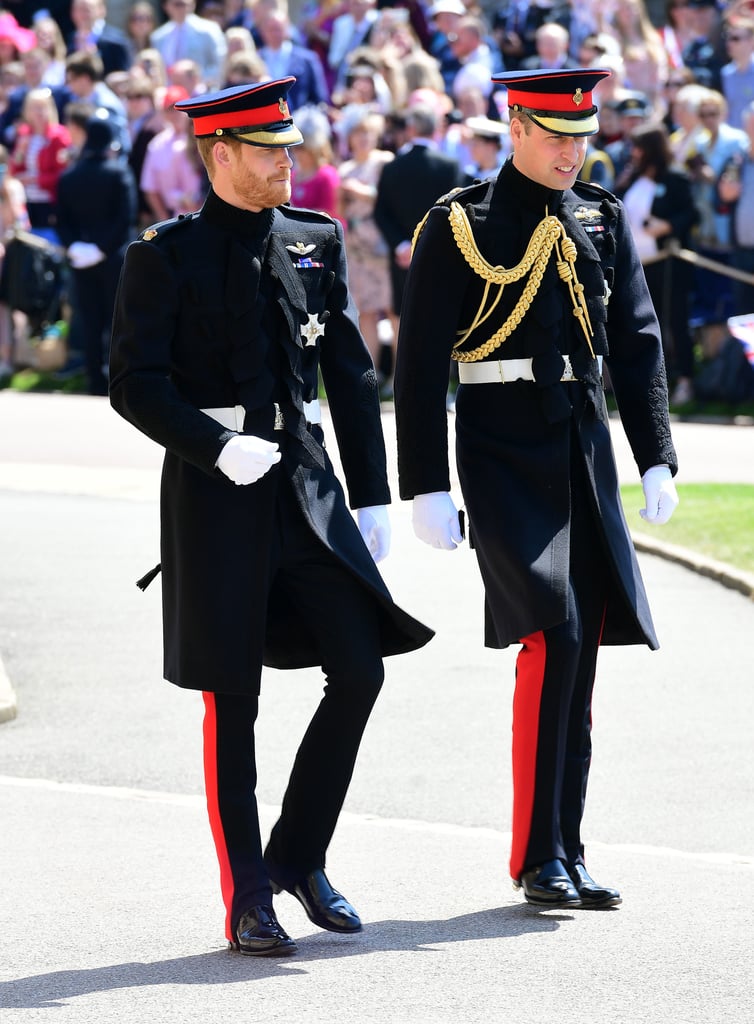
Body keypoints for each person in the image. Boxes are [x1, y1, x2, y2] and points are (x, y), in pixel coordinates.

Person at [109, 76, 433, 956]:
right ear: (219, 155)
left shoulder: (313, 239)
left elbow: (353, 375)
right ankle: (249, 893)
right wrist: (212, 447)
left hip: (305, 486)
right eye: (268, 150)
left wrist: (372, 495)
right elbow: (133, 386)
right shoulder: (162, 255)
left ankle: (300, 855)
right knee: (234, 695)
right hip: (218, 494)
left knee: (360, 669)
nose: (289, 161)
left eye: (290, 146)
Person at [393, 67, 680, 910]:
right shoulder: (461, 222)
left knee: (581, 650)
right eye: (555, 135)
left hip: (580, 445)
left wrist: (654, 451)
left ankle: (569, 844)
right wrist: (426, 484)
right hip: (502, 447)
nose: (572, 152)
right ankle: (534, 853)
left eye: (582, 137)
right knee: (550, 636)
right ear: (515, 125)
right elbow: (417, 367)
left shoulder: (599, 213)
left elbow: (635, 338)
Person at [616, 120, 699, 405]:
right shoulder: (632, 177)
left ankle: (684, 381)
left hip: (669, 263)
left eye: (639, 147)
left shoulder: (674, 177)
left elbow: (691, 214)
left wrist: (667, 226)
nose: (634, 152)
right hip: (639, 264)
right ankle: (648, 383)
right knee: (643, 325)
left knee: (675, 321)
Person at [57, 112, 135, 395]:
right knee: (117, 319)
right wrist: (102, 249)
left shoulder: (69, 175)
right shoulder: (118, 172)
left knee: (89, 318)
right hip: (113, 256)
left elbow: (62, 220)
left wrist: (78, 247)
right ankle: (116, 378)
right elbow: (125, 217)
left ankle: (93, 379)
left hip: (82, 257)